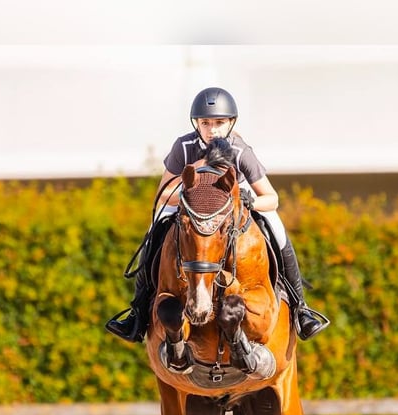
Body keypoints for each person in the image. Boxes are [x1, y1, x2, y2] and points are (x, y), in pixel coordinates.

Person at [106, 86, 329, 343]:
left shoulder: (240, 150)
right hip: (187, 202)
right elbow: (165, 192)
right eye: (206, 123)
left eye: (219, 122)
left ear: (231, 123)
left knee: (277, 230)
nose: (212, 130)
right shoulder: (184, 146)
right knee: (154, 230)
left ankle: (301, 309)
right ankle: (137, 313)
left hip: (237, 203)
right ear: (196, 124)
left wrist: (249, 202)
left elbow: (272, 198)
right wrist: (192, 198)